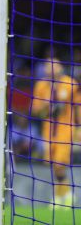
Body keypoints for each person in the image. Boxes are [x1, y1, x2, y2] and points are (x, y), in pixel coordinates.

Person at [32, 58, 78, 208]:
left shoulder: (70, 84)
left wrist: (79, 127)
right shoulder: (40, 86)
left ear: (60, 67)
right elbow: (35, 110)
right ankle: (64, 195)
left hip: (66, 129)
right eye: (48, 66)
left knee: (59, 163)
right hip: (49, 130)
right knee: (53, 165)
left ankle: (60, 197)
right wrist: (46, 107)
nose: (52, 68)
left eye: (55, 65)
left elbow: (78, 106)